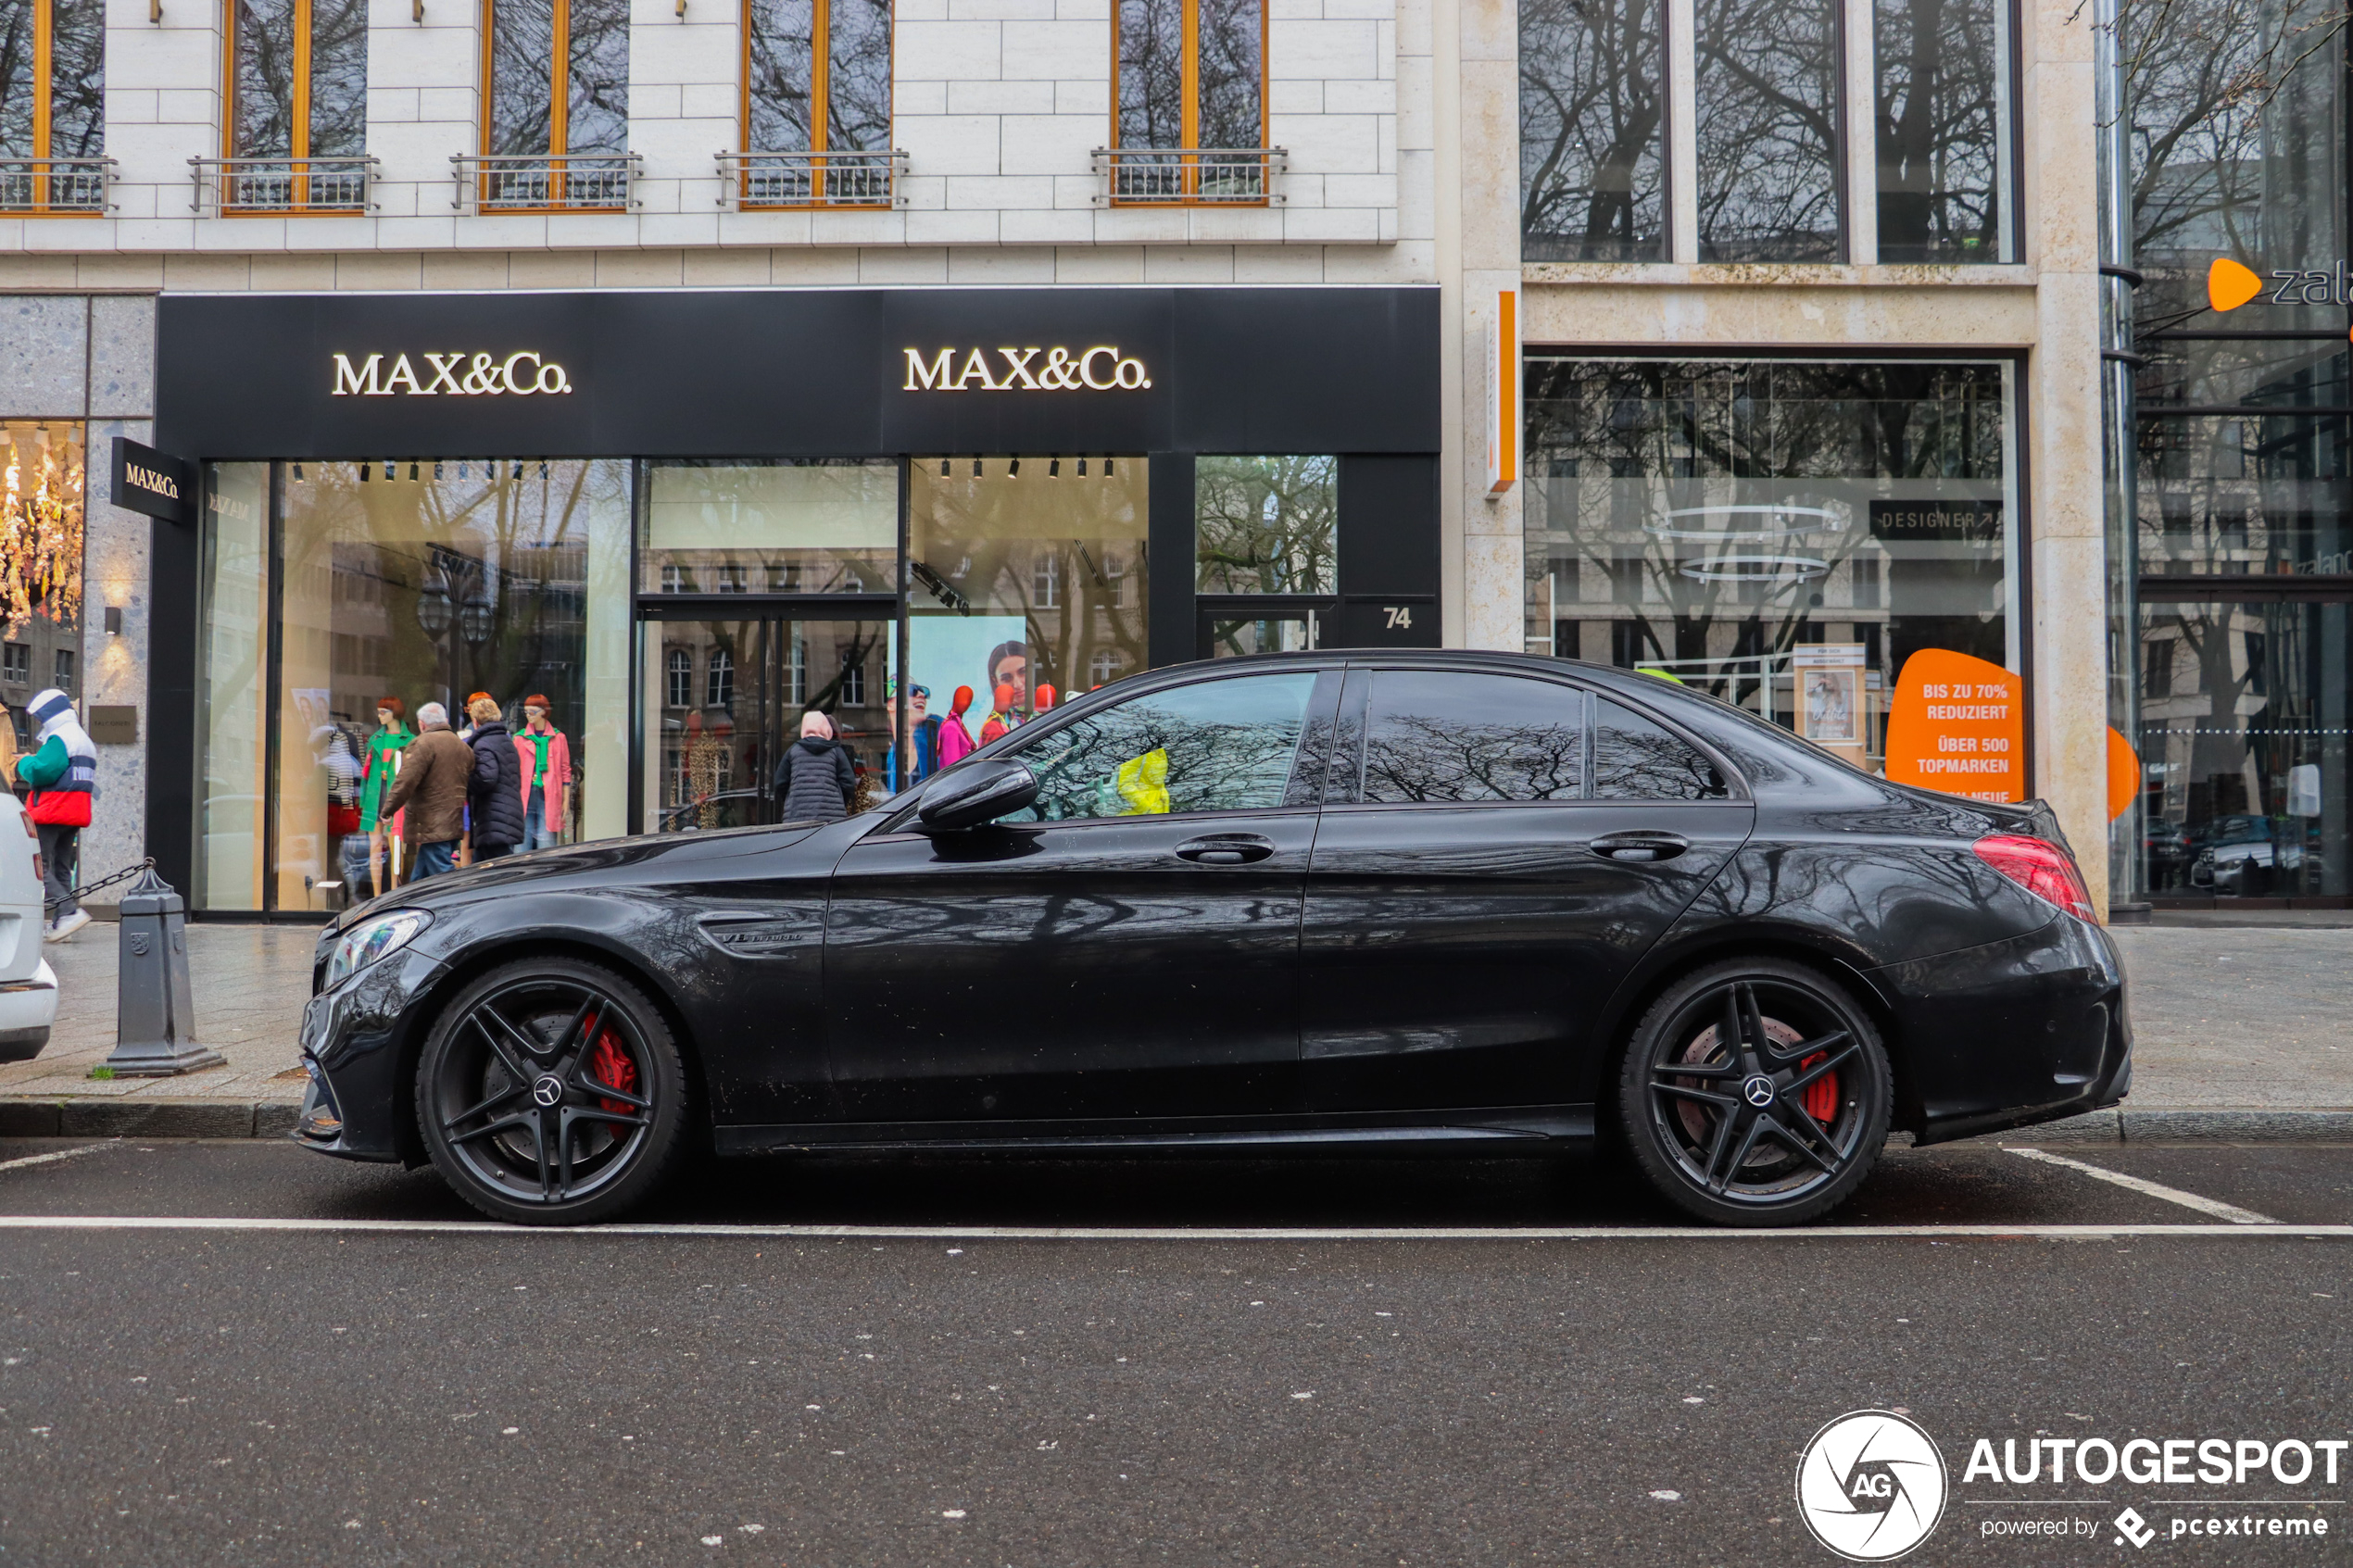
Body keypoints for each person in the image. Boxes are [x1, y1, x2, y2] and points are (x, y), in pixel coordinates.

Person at [19, 689, 95, 942]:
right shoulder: (83, 739)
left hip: (52, 809)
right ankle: (63, 923)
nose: (41, 723)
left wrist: (25, 762)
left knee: (38, 865)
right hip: (74, 812)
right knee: (62, 867)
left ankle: (69, 912)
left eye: (41, 718)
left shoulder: (60, 738)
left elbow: (43, 771)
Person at [377, 702, 472, 879]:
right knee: (421, 879)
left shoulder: (422, 744)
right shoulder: (462, 746)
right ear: (444, 720)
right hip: (452, 821)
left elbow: (405, 781)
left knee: (443, 877)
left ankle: (457, 904)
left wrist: (388, 810)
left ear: (422, 724)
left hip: (431, 824)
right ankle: (410, 903)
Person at [360, 698, 412, 897]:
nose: (379, 715)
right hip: (375, 796)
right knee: (374, 848)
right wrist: (363, 801)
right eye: (378, 711)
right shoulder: (374, 740)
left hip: (397, 797)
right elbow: (365, 774)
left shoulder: (410, 740)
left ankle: (393, 893)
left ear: (395, 712)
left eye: (383, 712)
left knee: (396, 848)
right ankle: (376, 895)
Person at [464, 696, 524, 860]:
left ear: (475, 721)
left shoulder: (483, 744)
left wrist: (465, 782)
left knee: (501, 874)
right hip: (504, 817)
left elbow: (486, 778)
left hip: (493, 819)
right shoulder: (505, 741)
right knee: (483, 870)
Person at [511, 694, 572, 850]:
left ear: (544, 712)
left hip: (550, 793)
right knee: (522, 837)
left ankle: (547, 872)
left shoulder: (558, 738)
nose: (529, 716)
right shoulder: (519, 739)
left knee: (546, 839)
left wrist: (566, 800)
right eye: (526, 712)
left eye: (532, 712)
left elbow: (565, 771)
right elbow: (513, 770)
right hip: (525, 792)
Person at [774, 709, 856, 822]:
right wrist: (839, 801)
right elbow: (849, 783)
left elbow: (780, 782)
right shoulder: (836, 751)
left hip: (796, 816)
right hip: (831, 818)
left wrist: (791, 800)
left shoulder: (793, 750)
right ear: (827, 730)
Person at [883, 684, 939, 792]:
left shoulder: (936, 730)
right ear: (891, 704)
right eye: (912, 690)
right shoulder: (892, 755)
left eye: (924, 691)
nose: (922, 695)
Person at [936, 684, 977, 768]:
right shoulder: (951, 727)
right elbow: (952, 765)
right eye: (962, 699)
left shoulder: (958, 726)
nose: (965, 703)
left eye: (968, 700)